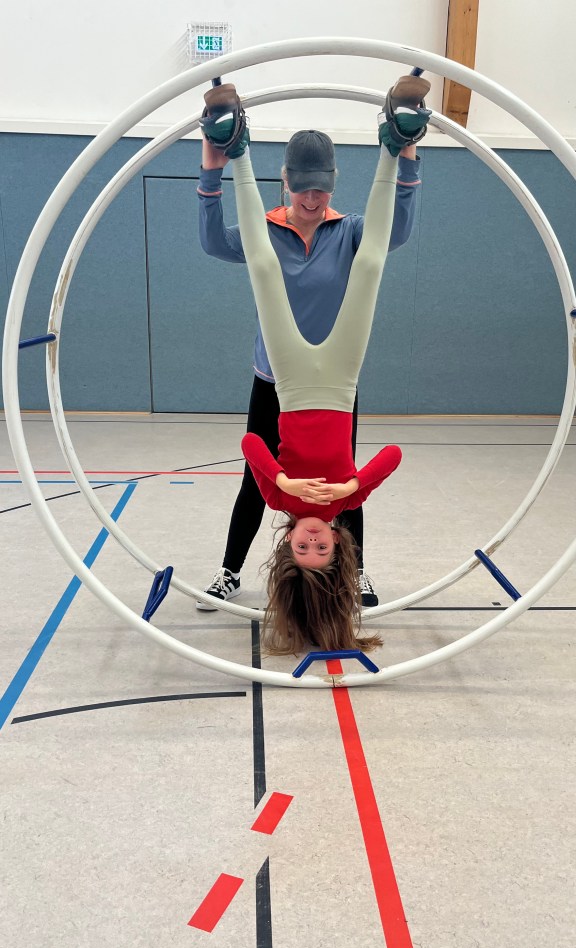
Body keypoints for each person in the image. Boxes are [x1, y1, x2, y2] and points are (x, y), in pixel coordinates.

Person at [196, 79, 431, 653]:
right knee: (269, 262)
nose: (311, 199)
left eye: (321, 189)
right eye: (302, 189)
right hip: (278, 379)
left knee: (350, 262)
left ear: (333, 184)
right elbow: (212, 242)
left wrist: (408, 156)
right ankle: (229, 569)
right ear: (285, 182)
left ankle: (357, 569)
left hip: (321, 382)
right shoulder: (270, 225)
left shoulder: (347, 229)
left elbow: (395, 232)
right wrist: (209, 171)